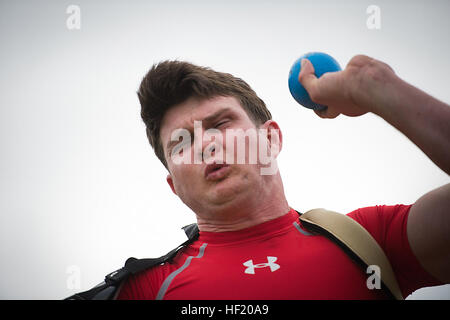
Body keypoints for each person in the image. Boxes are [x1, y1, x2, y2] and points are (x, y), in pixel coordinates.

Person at [117, 55, 449, 299]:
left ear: (271, 138)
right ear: (174, 186)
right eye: (181, 142)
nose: (205, 143)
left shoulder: (371, 241)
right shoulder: (144, 290)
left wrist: (377, 88)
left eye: (219, 124)